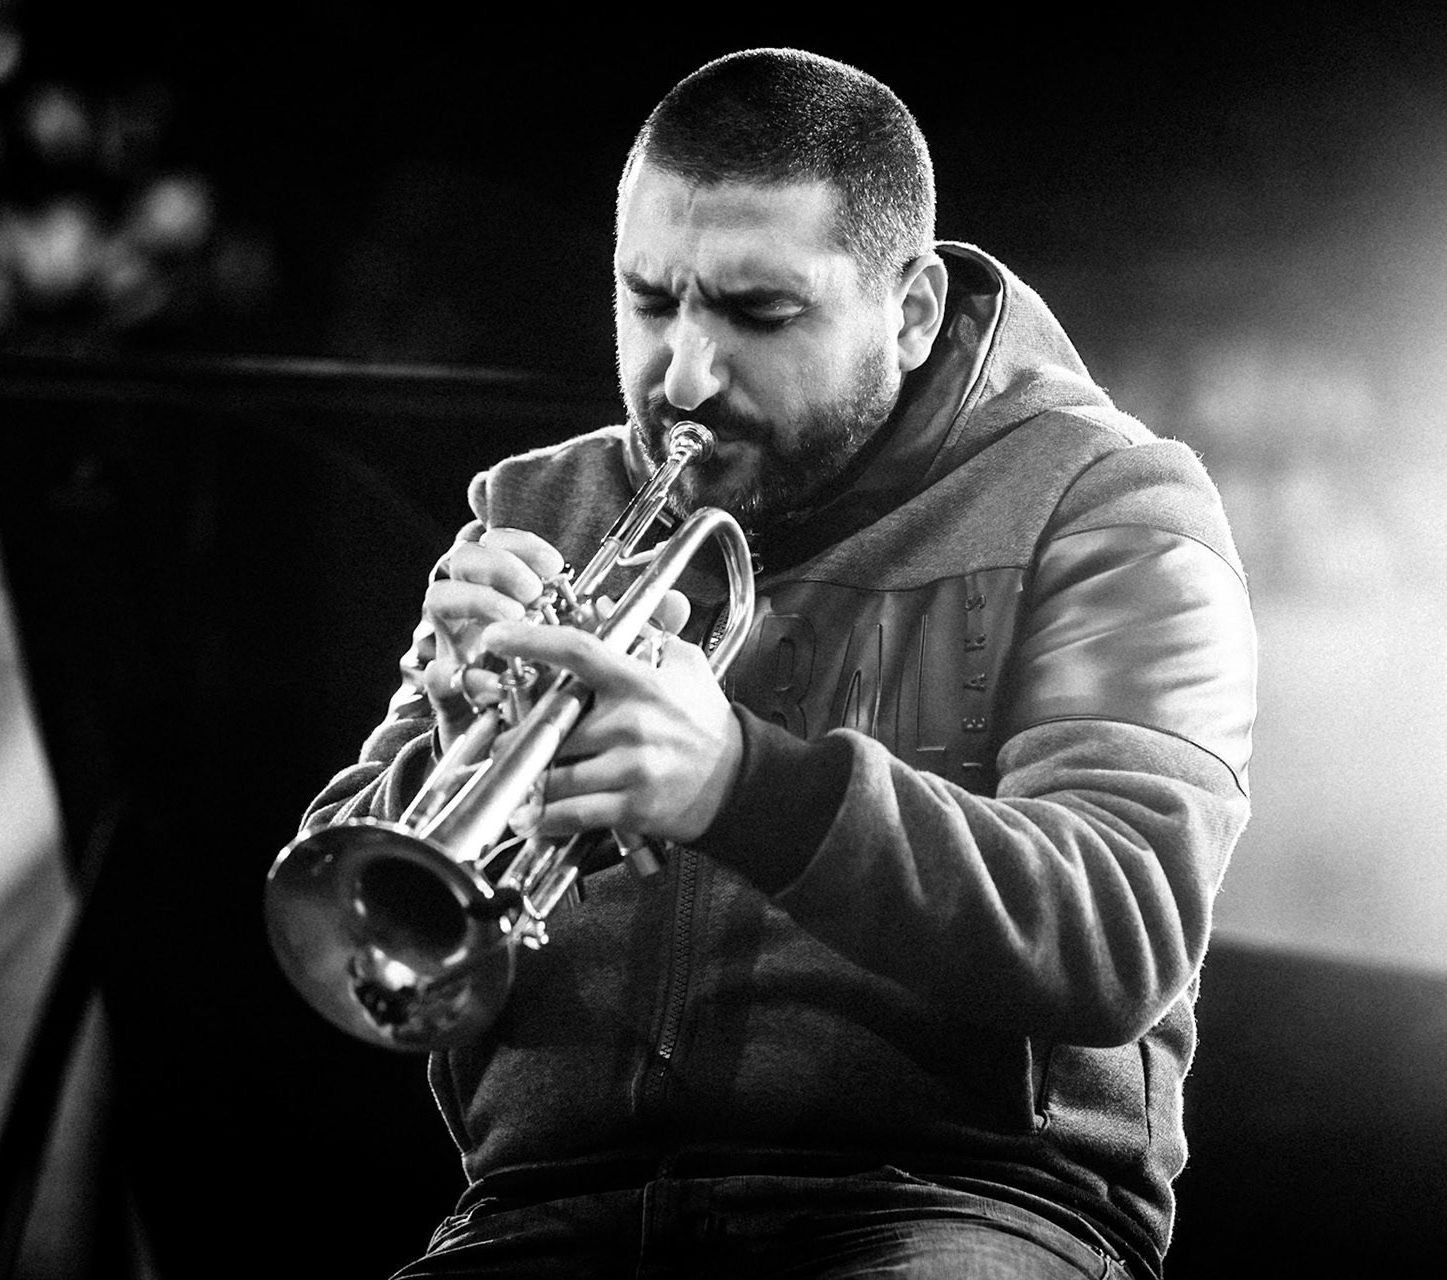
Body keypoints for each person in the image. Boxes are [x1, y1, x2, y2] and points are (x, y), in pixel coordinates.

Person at [297, 47, 1256, 1280]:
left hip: (961, 1205)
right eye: (650, 301)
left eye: (759, 313)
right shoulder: (545, 501)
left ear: (909, 312)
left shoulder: (1110, 502)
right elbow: (360, 917)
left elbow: (1119, 923)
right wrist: (448, 727)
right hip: (548, 1210)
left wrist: (743, 786)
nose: (683, 375)